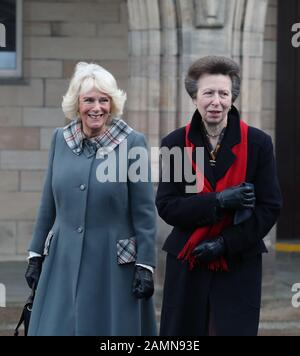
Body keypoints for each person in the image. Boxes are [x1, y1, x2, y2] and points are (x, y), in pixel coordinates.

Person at [25, 62, 157, 336]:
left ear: (112, 104)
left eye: (103, 100)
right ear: (77, 103)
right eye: (89, 100)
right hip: (62, 258)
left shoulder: (133, 143)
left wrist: (145, 264)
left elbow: (144, 211)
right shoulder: (60, 139)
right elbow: (48, 203)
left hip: (113, 266)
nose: (96, 107)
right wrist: (35, 254)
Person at [156, 56, 282, 336]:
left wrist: (225, 243)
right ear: (194, 97)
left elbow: (269, 207)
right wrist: (218, 201)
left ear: (232, 97)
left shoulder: (259, 143)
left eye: (223, 93)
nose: (216, 101)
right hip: (188, 261)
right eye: (208, 93)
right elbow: (167, 206)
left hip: (238, 261)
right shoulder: (174, 143)